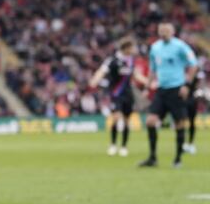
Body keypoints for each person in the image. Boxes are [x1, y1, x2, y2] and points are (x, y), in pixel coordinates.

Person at [138, 23, 198, 168]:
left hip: (176, 89)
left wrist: (186, 85)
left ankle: (177, 159)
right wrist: (147, 87)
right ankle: (152, 158)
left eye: (166, 31)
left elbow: (193, 64)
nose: (163, 33)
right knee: (150, 121)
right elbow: (152, 69)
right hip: (161, 90)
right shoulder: (155, 47)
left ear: (173, 32)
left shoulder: (180, 46)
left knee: (179, 123)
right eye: (161, 31)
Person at [88, 37, 147, 157]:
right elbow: (102, 71)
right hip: (116, 93)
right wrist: (94, 80)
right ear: (126, 48)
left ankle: (124, 146)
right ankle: (113, 145)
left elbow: (136, 75)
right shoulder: (113, 60)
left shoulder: (131, 61)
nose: (134, 49)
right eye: (132, 47)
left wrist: (149, 83)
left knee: (126, 120)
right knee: (116, 117)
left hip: (128, 94)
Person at [183, 56, 206, 155]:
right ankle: (183, 143)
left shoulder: (197, 72)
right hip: (183, 98)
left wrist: (199, 92)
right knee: (181, 121)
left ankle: (191, 143)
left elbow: (200, 84)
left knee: (192, 121)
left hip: (192, 98)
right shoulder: (182, 70)